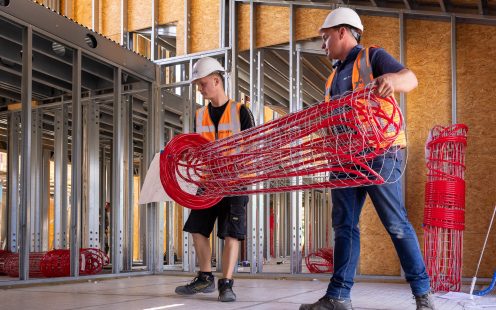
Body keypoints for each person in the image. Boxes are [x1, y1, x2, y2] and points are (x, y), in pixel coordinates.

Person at [300, 8, 435, 310]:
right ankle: (338, 296)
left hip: (380, 154)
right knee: (344, 226)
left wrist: (391, 80)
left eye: (326, 38)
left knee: (396, 223)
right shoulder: (333, 77)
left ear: (343, 32)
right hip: (344, 158)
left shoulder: (372, 56)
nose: (324, 45)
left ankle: (423, 295)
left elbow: (409, 78)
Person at [174, 56, 254, 302]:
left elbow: (252, 148)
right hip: (208, 182)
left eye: (202, 83)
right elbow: (197, 148)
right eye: (198, 84)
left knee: (232, 233)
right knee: (197, 228)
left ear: (216, 80)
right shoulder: (200, 116)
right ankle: (205, 277)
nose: (200, 88)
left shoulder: (241, 111)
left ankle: (226, 283)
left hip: (235, 181)